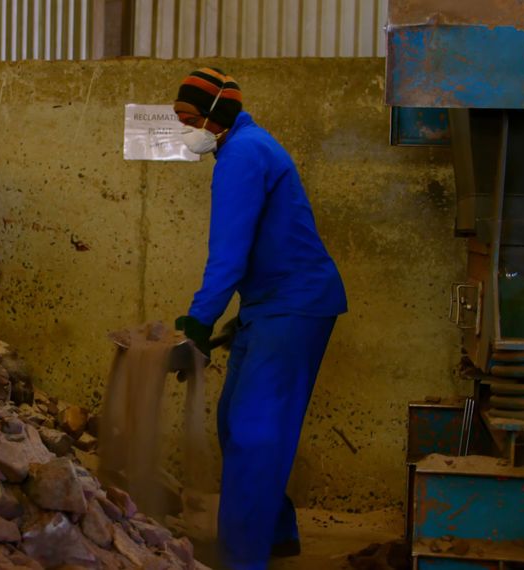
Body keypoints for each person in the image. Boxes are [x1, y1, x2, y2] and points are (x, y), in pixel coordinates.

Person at [172, 67, 348, 569]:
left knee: (254, 430)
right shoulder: (241, 146)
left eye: (188, 119)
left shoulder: (243, 155)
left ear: (214, 116)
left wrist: (198, 325)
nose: (186, 129)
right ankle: (275, 532)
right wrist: (236, 319)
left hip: (293, 305)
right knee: (238, 421)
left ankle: (240, 557)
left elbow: (227, 255)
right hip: (271, 304)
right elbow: (251, 250)